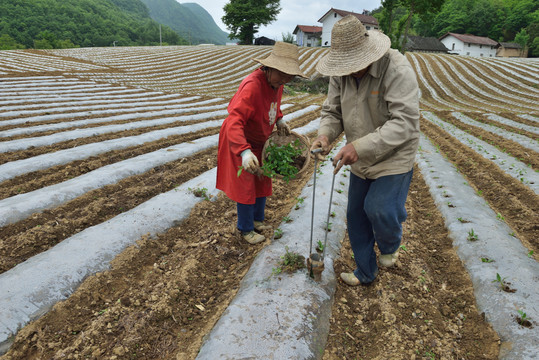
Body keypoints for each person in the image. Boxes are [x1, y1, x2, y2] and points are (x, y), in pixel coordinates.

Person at [310, 15, 420, 286]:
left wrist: (358, 147)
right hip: (359, 154)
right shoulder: (341, 75)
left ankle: (390, 245)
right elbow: (332, 111)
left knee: (380, 208)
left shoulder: (395, 68)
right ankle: (365, 272)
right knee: (356, 215)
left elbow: (405, 121)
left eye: (356, 65)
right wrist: (325, 135)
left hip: (394, 154)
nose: (351, 71)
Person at [217, 41, 307, 244]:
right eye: (282, 74)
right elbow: (234, 120)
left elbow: (272, 104)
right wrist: (244, 152)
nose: (285, 79)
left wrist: (280, 118)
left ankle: (257, 220)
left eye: (289, 76)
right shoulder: (252, 85)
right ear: (269, 68)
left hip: (260, 140)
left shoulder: (277, 84)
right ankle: (246, 229)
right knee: (246, 182)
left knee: (262, 178)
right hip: (240, 139)